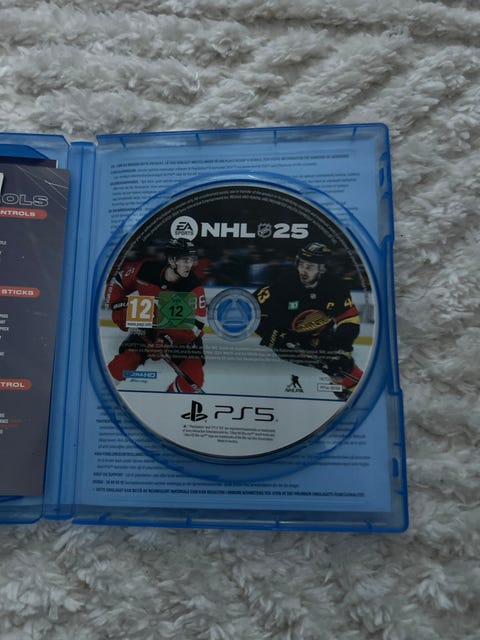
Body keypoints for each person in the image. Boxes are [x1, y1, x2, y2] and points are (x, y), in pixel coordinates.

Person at [254, 242, 363, 399]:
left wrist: (342, 349)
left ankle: (347, 386)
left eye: (310, 267)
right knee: (332, 364)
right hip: (286, 336)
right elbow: (252, 311)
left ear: (322, 269)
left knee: (340, 363)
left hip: (322, 334)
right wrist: (274, 337)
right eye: (301, 265)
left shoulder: (336, 287)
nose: (303, 271)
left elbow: (349, 318)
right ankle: (344, 384)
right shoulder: (284, 284)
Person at [105, 238, 206, 393]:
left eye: (191, 260)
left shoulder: (193, 287)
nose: (189, 265)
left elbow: (196, 325)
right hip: (148, 328)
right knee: (124, 363)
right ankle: (101, 392)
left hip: (179, 337)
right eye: (185, 260)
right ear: (172, 260)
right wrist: (117, 304)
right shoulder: (146, 270)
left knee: (194, 378)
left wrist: (167, 339)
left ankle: (170, 400)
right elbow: (117, 282)